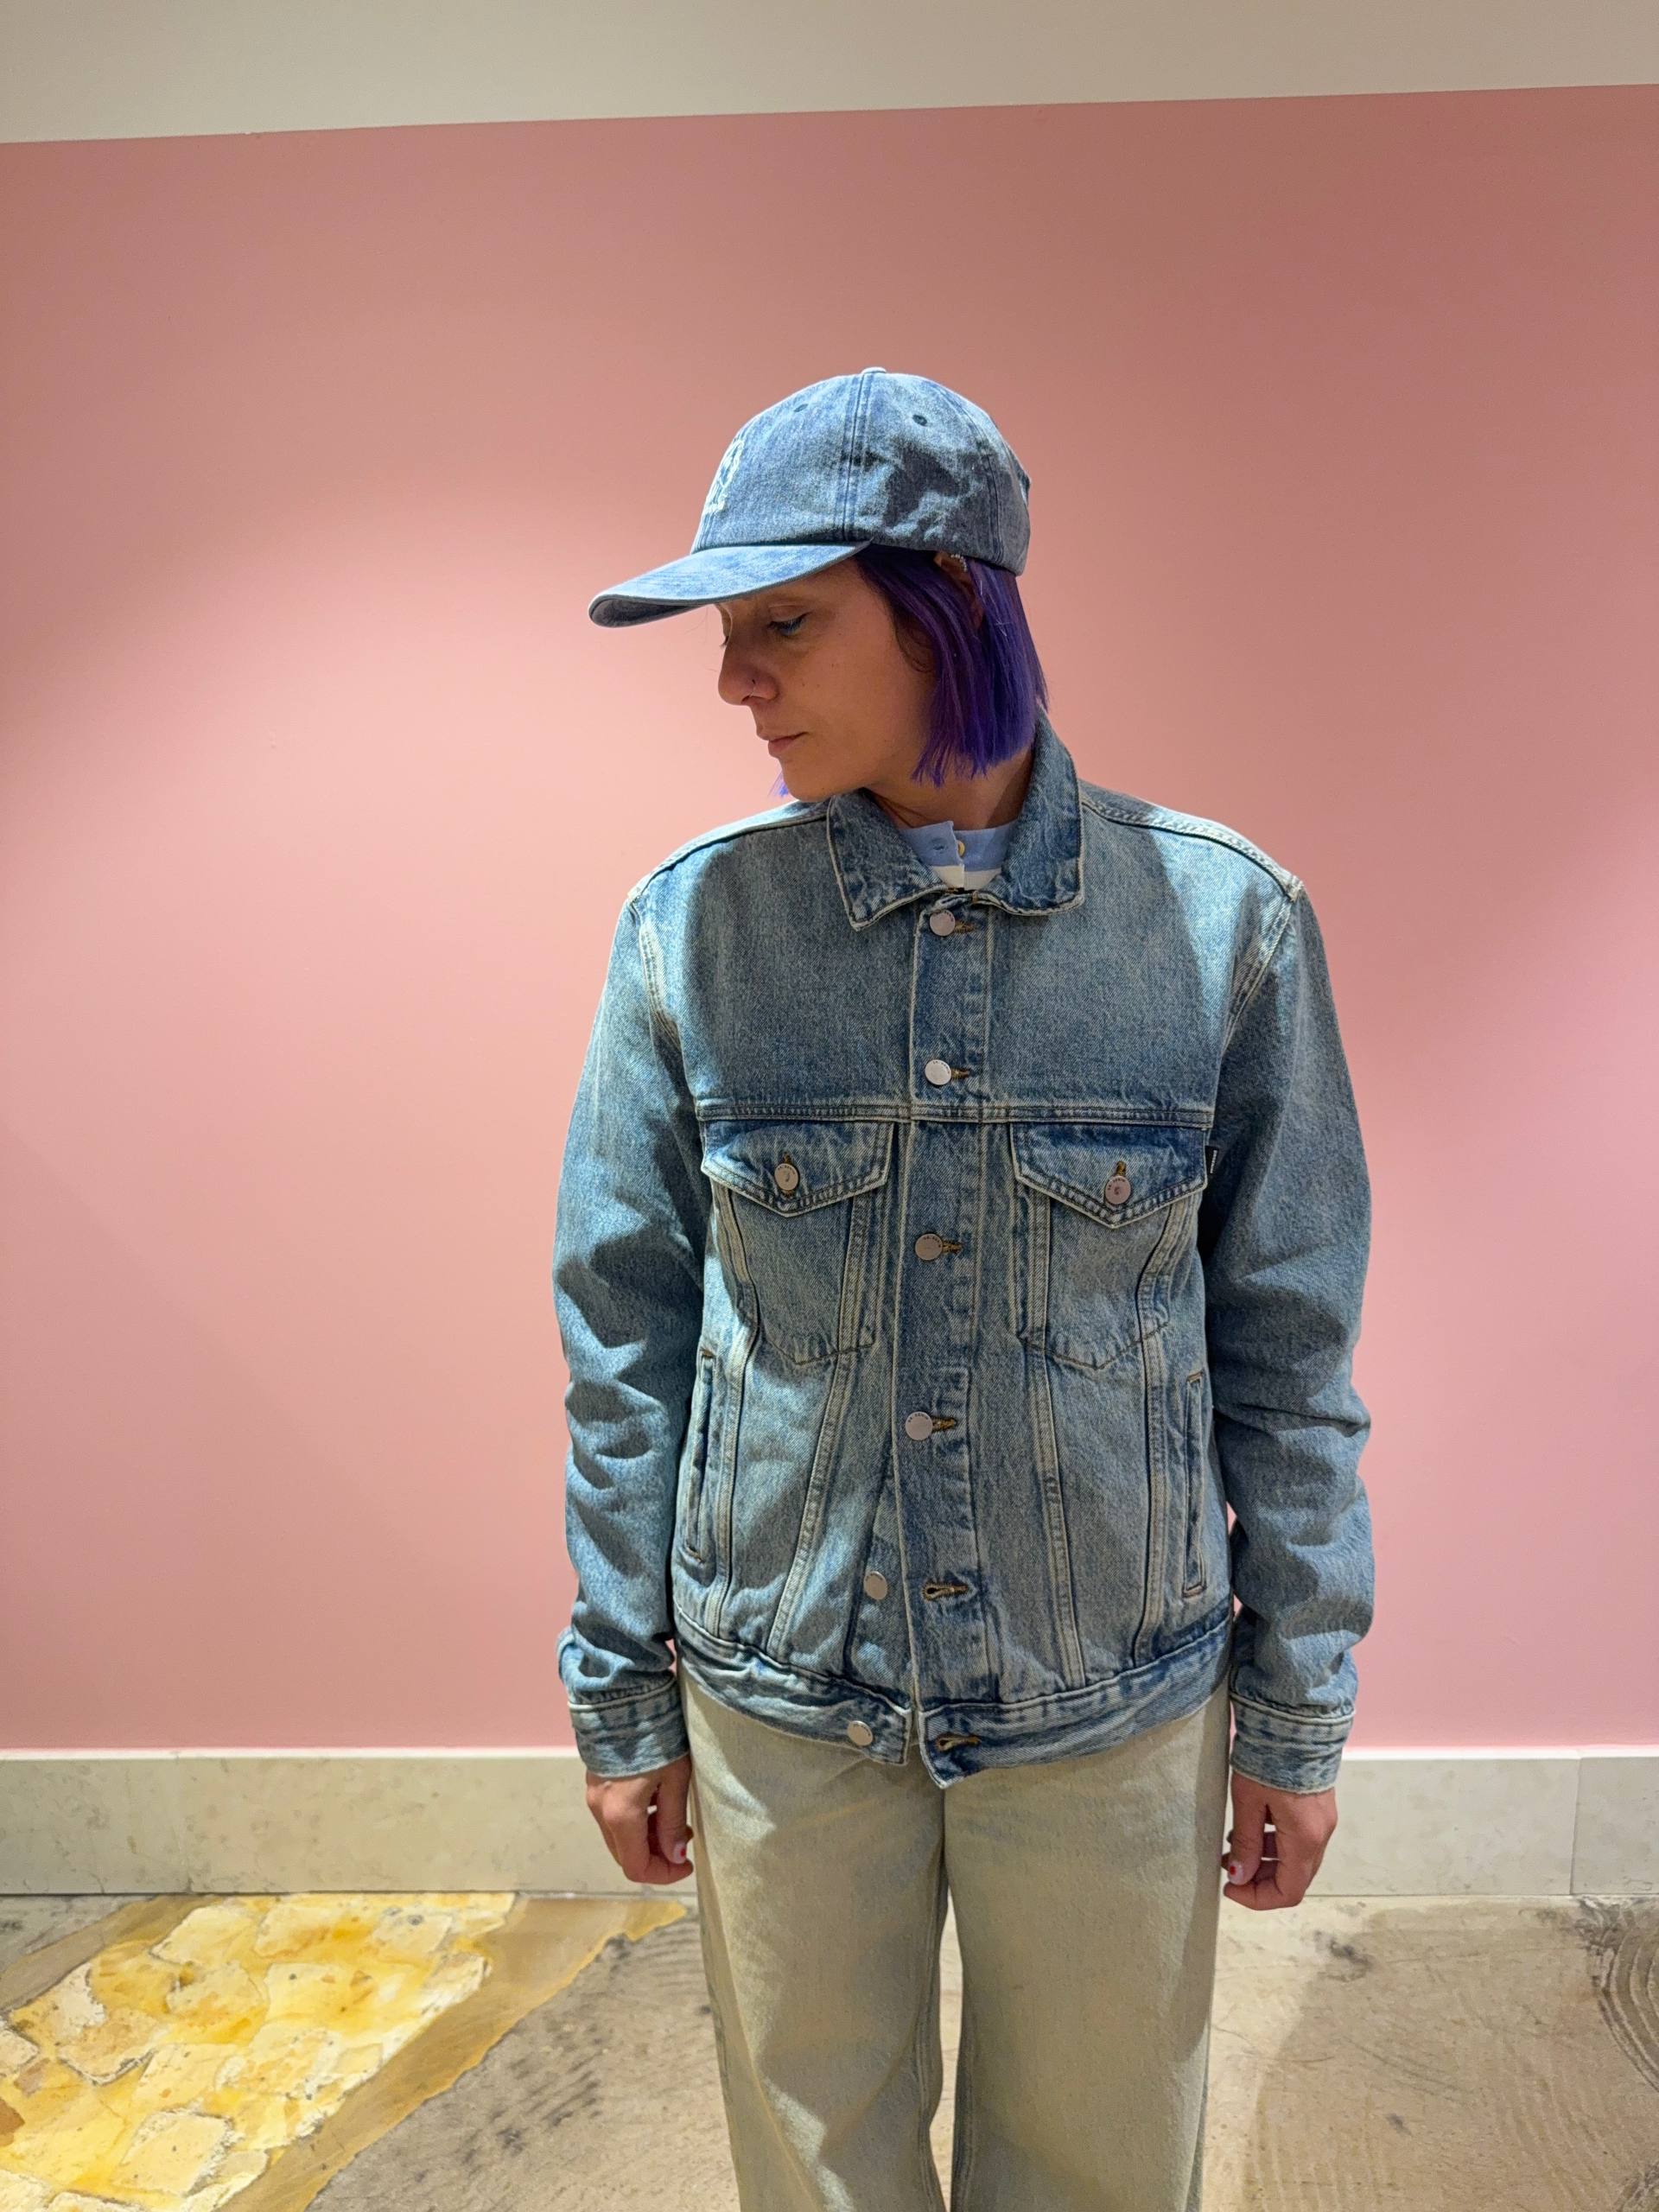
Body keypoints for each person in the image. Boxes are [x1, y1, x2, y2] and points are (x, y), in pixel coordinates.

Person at [550, 367, 1376, 2210]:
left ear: (942, 609)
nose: (732, 678)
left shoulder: (1223, 927)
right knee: (813, 2176)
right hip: (782, 1696)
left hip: (1111, 1704)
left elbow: (1290, 1350)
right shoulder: (694, 929)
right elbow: (627, 1338)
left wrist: (1295, 1703)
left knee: (1101, 2173)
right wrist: (621, 1689)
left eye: (783, 622)